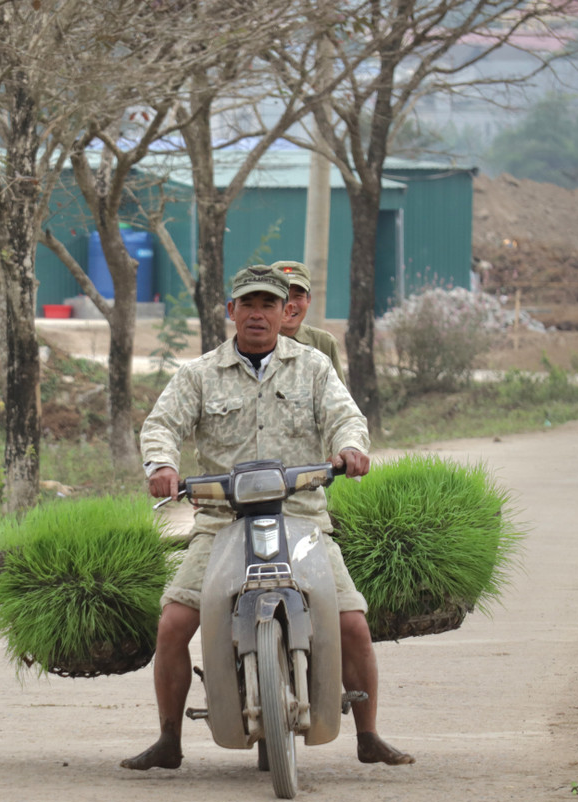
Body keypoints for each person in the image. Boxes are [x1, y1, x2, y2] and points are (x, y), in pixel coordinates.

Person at [122, 263, 414, 772]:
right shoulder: (198, 374)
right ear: (230, 311)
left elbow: (347, 416)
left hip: (302, 518)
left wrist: (350, 447)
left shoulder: (314, 368)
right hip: (219, 522)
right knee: (173, 624)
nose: (258, 315)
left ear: (286, 313)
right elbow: (162, 424)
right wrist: (163, 464)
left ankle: (368, 734)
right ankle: (169, 738)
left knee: (352, 624)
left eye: (269, 305)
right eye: (248, 305)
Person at [271, 259, 346, 384]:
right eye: (283, 296)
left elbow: (340, 399)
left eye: (298, 296)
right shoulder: (255, 342)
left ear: (308, 300)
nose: (290, 305)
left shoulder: (324, 343)